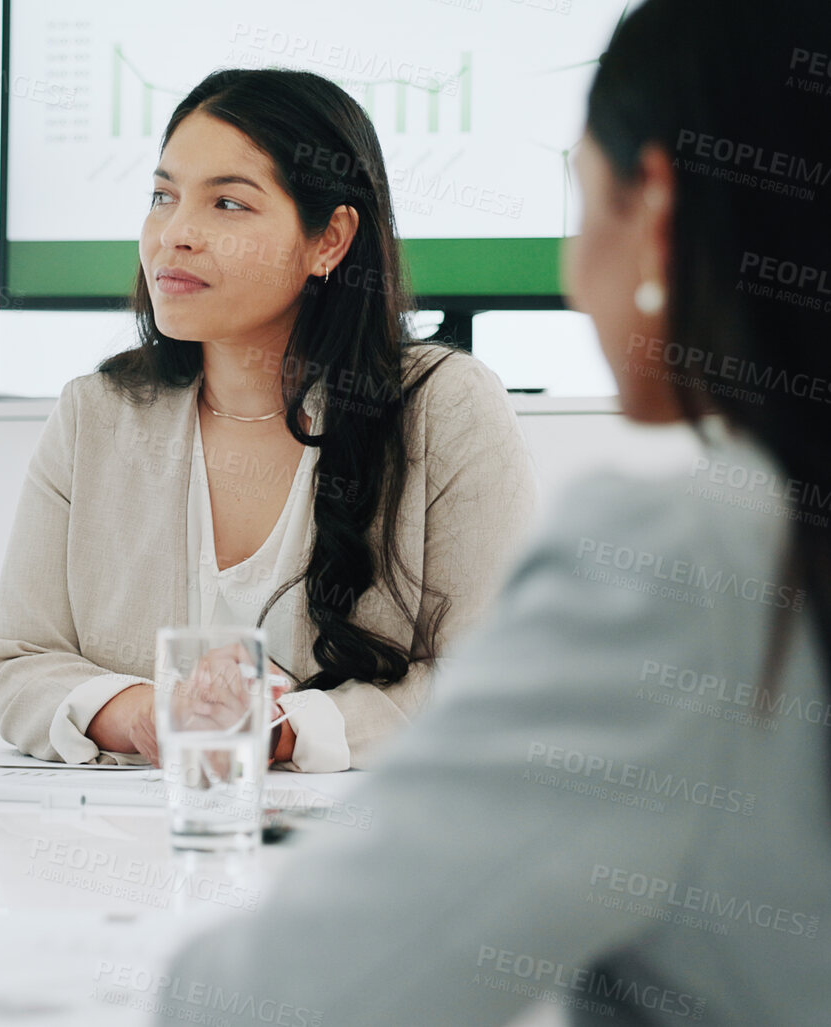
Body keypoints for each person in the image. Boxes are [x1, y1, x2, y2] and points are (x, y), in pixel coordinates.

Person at [153, 0, 831, 1021]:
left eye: (579, 195)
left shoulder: (687, 563)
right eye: (163, 197)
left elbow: (282, 1001)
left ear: (652, 205)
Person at [0, 68, 537, 772]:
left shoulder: (445, 406)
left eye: (228, 204)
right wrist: (150, 717)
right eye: (162, 196)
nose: (173, 234)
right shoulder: (96, 413)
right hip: (137, 853)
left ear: (329, 239)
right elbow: (18, 663)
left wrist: (280, 729)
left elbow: (497, 679)